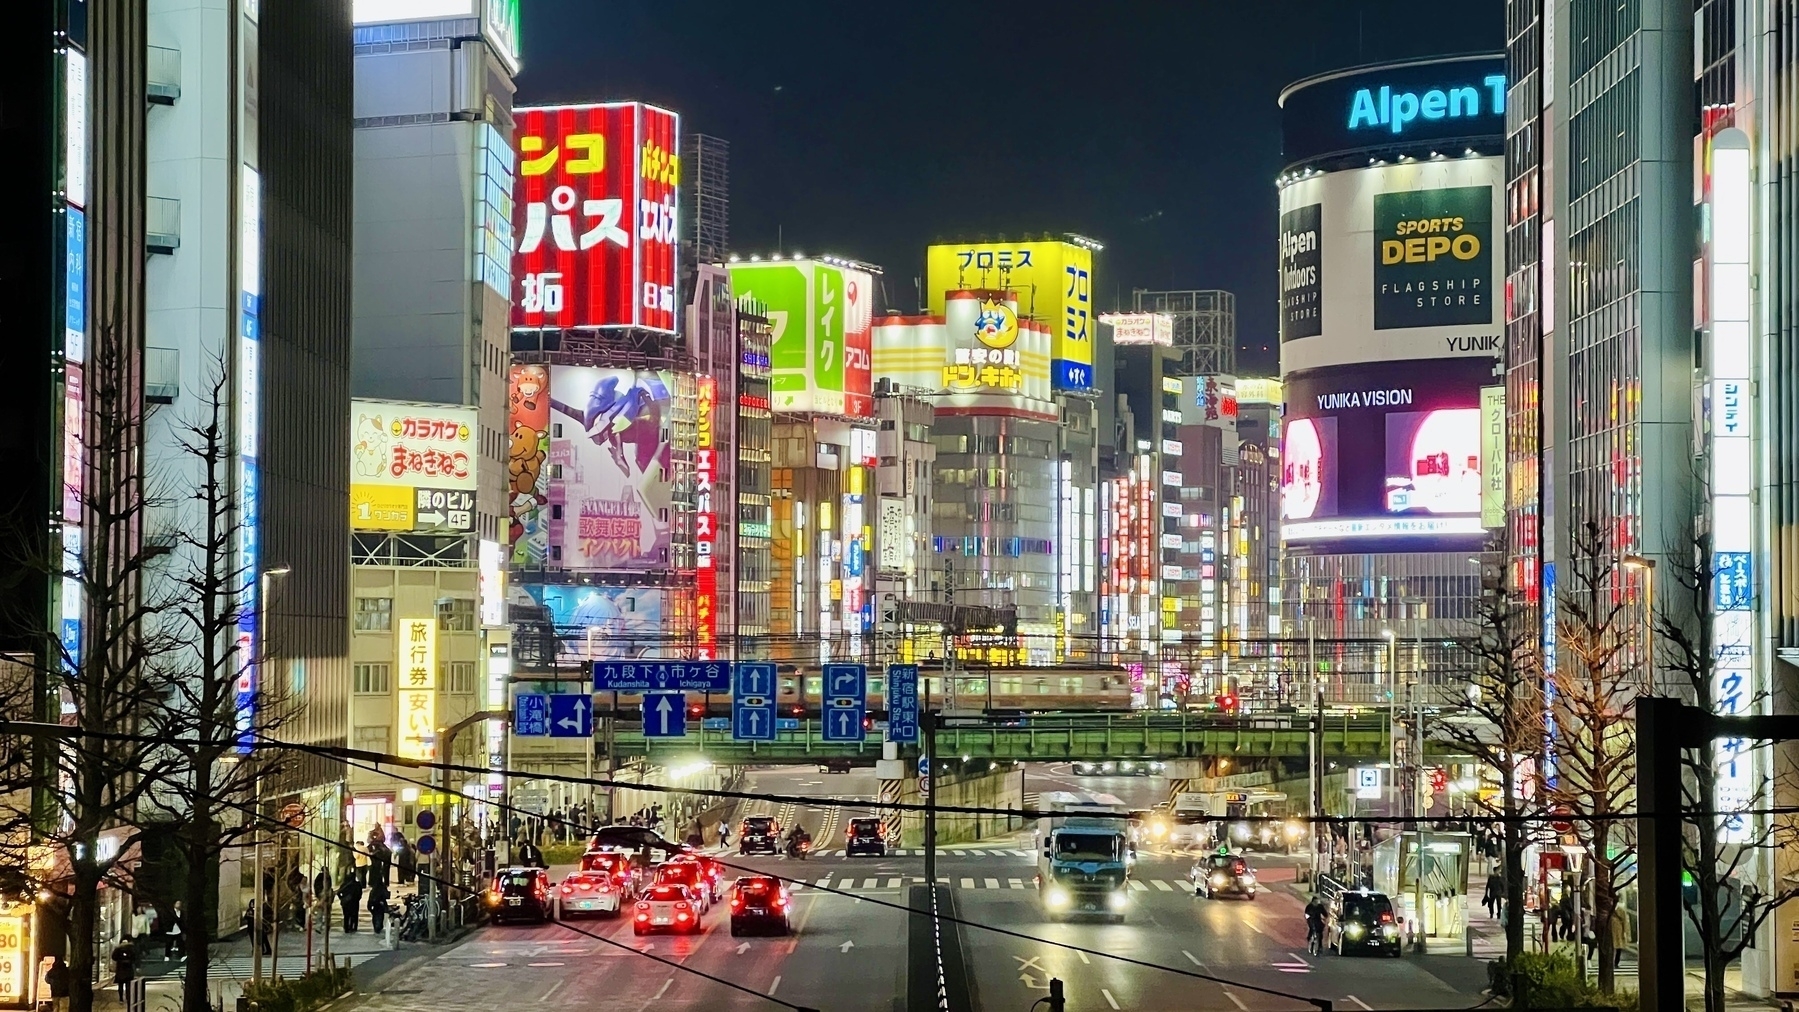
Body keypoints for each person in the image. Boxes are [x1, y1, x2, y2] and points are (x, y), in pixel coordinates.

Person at [110, 936, 136, 1003]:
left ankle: (121, 998)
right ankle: (128, 998)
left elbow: (114, 957)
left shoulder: (119, 949)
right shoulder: (131, 949)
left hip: (121, 970)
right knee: (128, 986)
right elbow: (135, 958)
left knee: (121, 986)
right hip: (128, 970)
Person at [338, 868, 364, 932]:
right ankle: (353, 927)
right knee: (354, 915)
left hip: (346, 903)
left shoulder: (344, 885)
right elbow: (360, 893)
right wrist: (357, 898)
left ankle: (346, 928)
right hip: (355, 902)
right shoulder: (357, 885)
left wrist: (342, 898)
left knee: (346, 916)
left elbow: (339, 892)